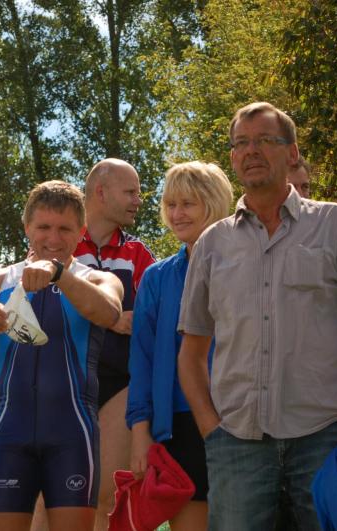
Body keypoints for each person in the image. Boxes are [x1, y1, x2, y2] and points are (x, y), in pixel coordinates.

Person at [177, 101, 337, 530]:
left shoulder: (336, 225)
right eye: (241, 143)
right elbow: (192, 352)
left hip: (326, 436)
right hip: (237, 444)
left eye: (264, 140)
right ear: (233, 157)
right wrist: (211, 429)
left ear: (292, 153)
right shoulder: (212, 244)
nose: (251, 151)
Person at [0, 180, 123, 531]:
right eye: (43, 227)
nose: (53, 238)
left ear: (82, 231)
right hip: (8, 434)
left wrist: (59, 274)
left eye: (65, 229)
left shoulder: (97, 279)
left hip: (72, 435)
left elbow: (109, 313)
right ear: (27, 226)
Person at [126, 162, 233, 530]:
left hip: (242, 420)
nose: (176, 214)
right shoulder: (156, 278)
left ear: (213, 203)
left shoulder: (247, 268)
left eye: (188, 203)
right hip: (177, 427)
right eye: (170, 204)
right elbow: (141, 361)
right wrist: (140, 434)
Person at [73, 158, 155, 530]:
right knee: (48, 498)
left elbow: (153, 319)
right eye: (131, 192)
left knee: (104, 496)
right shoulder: (61, 239)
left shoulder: (139, 253)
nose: (139, 200)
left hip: (120, 384)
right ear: (101, 193)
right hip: (67, 380)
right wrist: (109, 317)